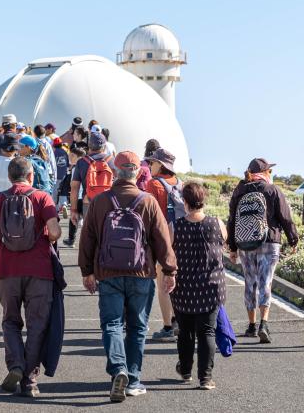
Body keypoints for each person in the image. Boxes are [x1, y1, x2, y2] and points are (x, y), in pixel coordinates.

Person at [78, 151, 176, 402]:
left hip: (108, 272)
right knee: (138, 327)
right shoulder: (148, 201)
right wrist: (169, 270)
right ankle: (133, 379)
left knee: (111, 323)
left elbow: (87, 239)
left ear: (115, 171)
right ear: (137, 172)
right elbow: (162, 240)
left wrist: (87, 271)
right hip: (141, 272)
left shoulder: (101, 201)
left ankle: (118, 368)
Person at [0, 157, 62, 397]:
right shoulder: (43, 197)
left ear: (10, 177)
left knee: (10, 321)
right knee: (37, 325)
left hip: (8, 271)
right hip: (40, 272)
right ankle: (29, 381)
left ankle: (15, 365)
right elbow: (53, 232)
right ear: (31, 176)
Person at [227, 158, 299, 344]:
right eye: (270, 171)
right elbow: (285, 217)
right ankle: (264, 324)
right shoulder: (272, 190)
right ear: (266, 172)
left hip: (245, 243)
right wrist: (293, 239)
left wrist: (232, 246)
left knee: (250, 282)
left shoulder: (239, 191)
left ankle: (251, 325)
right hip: (269, 241)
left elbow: (232, 219)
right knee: (265, 282)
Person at [170, 181, 226, 390]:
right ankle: (205, 378)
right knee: (207, 332)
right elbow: (225, 242)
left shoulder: (175, 226)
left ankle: (185, 371)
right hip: (211, 287)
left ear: (185, 202)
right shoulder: (216, 223)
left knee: (185, 332)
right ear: (203, 200)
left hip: (183, 287)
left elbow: (168, 254)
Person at [145, 148, 184, 342]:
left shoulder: (154, 185)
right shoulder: (180, 183)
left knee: (163, 285)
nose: (149, 166)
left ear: (160, 165)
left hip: (163, 239)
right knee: (177, 283)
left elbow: (151, 213)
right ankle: (179, 320)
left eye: (152, 163)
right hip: (182, 238)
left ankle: (168, 326)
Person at [67, 131, 113, 246]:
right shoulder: (112, 161)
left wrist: (73, 210)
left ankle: (89, 261)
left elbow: (74, 188)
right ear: (104, 145)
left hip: (88, 202)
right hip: (109, 202)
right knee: (107, 233)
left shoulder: (82, 162)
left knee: (90, 235)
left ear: (89, 145)